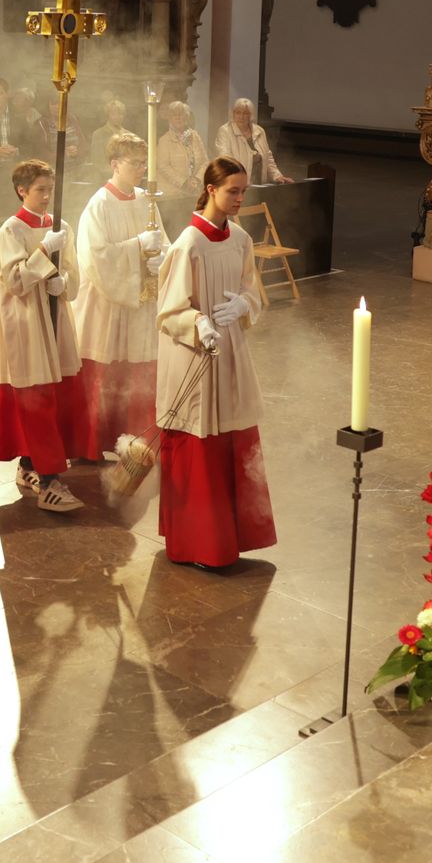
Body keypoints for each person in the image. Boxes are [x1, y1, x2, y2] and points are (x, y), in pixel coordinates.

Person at [154, 156, 274, 569]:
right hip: (193, 356)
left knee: (231, 439)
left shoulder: (240, 239)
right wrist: (198, 323)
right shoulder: (188, 244)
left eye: (243, 191)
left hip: (230, 354)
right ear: (210, 190)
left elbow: (252, 292)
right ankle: (199, 543)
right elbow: (168, 312)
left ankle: (230, 538)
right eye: (232, 191)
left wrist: (244, 303)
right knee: (200, 447)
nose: (239, 198)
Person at [0, 158, 91, 512]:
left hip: (55, 317)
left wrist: (66, 283)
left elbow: (75, 274)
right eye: (40, 190)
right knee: (36, 398)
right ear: (22, 191)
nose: (47, 197)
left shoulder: (60, 226)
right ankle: (49, 480)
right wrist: (45, 250)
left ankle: (30, 464)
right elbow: (15, 280)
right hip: (27, 321)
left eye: (50, 190)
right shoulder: (10, 230)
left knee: (57, 394)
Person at [72, 133, 167, 462]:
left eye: (144, 162)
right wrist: (138, 247)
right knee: (107, 376)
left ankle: (138, 441)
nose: (141, 169)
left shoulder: (146, 199)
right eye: (134, 163)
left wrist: (161, 259)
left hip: (140, 304)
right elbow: (96, 258)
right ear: (114, 164)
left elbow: (162, 242)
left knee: (137, 375)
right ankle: (93, 444)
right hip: (108, 306)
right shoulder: (99, 204)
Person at [212, 97, 292, 184]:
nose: (241, 116)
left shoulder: (259, 131)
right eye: (238, 112)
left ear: (251, 115)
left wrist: (277, 176)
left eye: (245, 113)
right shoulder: (225, 131)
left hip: (259, 182)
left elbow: (268, 157)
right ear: (233, 114)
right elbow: (225, 159)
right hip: (236, 183)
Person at [153, 100, 210, 200]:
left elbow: (205, 161)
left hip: (195, 192)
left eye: (181, 114)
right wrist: (184, 183)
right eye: (174, 115)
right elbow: (163, 167)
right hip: (172, 195)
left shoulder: (195, 136)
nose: (178, 118)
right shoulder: (164, 140)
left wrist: (197, 179)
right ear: (169, 118)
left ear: (186, 117)